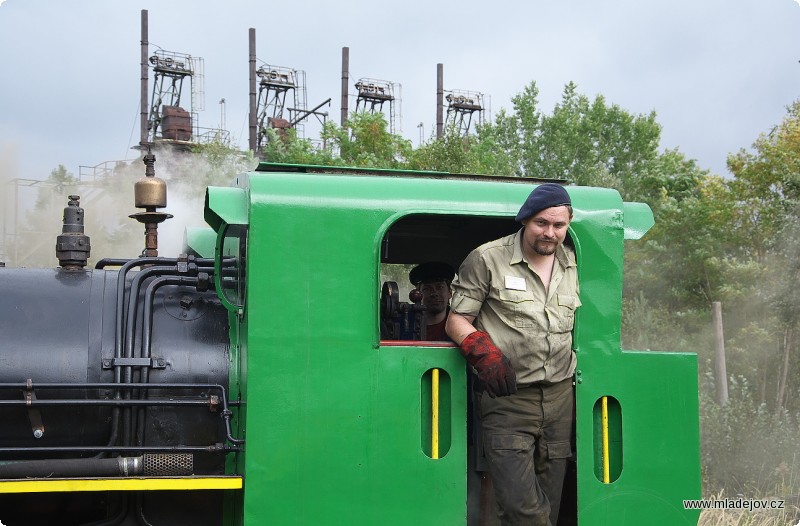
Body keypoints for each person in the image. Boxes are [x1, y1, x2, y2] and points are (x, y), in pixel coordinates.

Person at [446, 183, 580, 526]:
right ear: (525, 220)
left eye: (559, 226)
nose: (550, 233)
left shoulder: (571, 262)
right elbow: (456, 320)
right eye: (541, 223)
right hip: (507, 398)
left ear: (568, 225)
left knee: (549, 503)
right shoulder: (488, 258)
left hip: (561, 398)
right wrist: (483, 353)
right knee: (525, 511)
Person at [408, 261, 455, 341]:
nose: (434, 293)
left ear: (450, 293)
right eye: (427, 288)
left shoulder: (459, 323)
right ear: (418, 294)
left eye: (439, 287)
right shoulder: (406, 323)